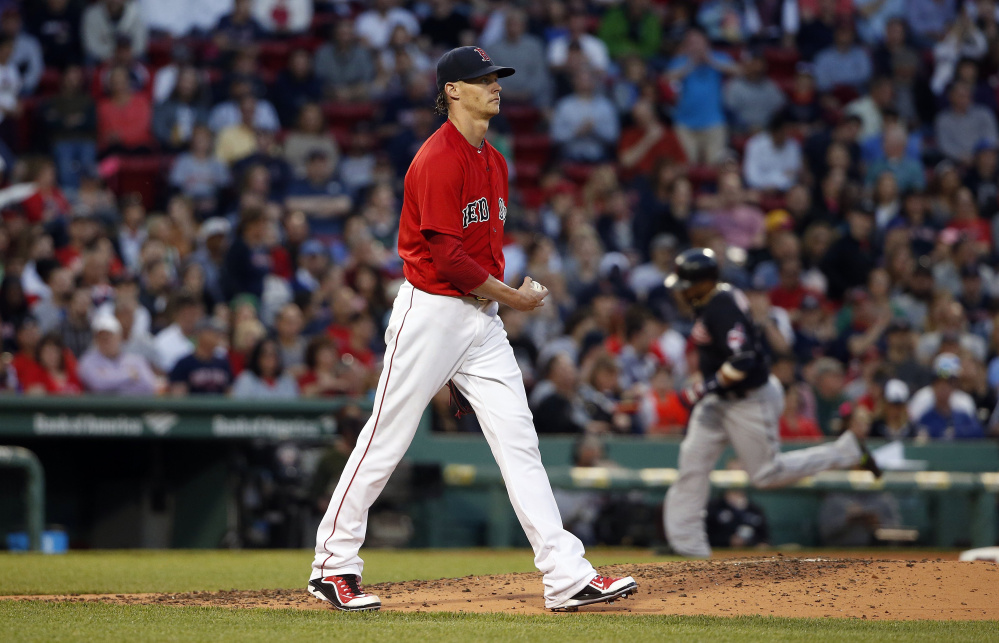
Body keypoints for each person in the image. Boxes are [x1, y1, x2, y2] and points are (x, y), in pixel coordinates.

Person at [308, 46, 636, 613]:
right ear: (452, 90)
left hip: (479, 320)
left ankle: (565, 575)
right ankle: (331, 566)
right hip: (431, 311)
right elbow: (449, 258)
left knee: (520, 441)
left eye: (497, 78)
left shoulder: (495, 159)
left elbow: (483, 251)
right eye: (482, 79)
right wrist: (513, 298)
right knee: (386, 439)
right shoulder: (438, 158)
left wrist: (501, 299)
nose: (495, 86)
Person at [662, 247, 881, 558]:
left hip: (749, 399)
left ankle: (847, 451)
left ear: (705, 282)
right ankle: (688, 548)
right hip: (719, 400)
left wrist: (702, 388)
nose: (680, 293)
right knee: (692, 466)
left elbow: (744, 361)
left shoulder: (722, 306)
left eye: (687, 285)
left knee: (766, 474)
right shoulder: (711, 300)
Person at [77, 313, 158, 395]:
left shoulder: (136, 360)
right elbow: (98, 384)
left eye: (110, 336)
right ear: (96, 340)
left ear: (120, 337)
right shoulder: (88, 361)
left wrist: (109, 378)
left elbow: (149, 386)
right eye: (102, 337)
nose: (107, 341)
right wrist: (128, 375)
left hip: (133, 407)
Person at [168, 317, 232, 395]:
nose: (217, 336)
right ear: (200, 334)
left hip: (219, 407)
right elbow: (178, 397)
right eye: (213, 332)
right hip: (193, 407)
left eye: (218, 333)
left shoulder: (223, 363)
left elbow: (229, 393)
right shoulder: (184, 363)